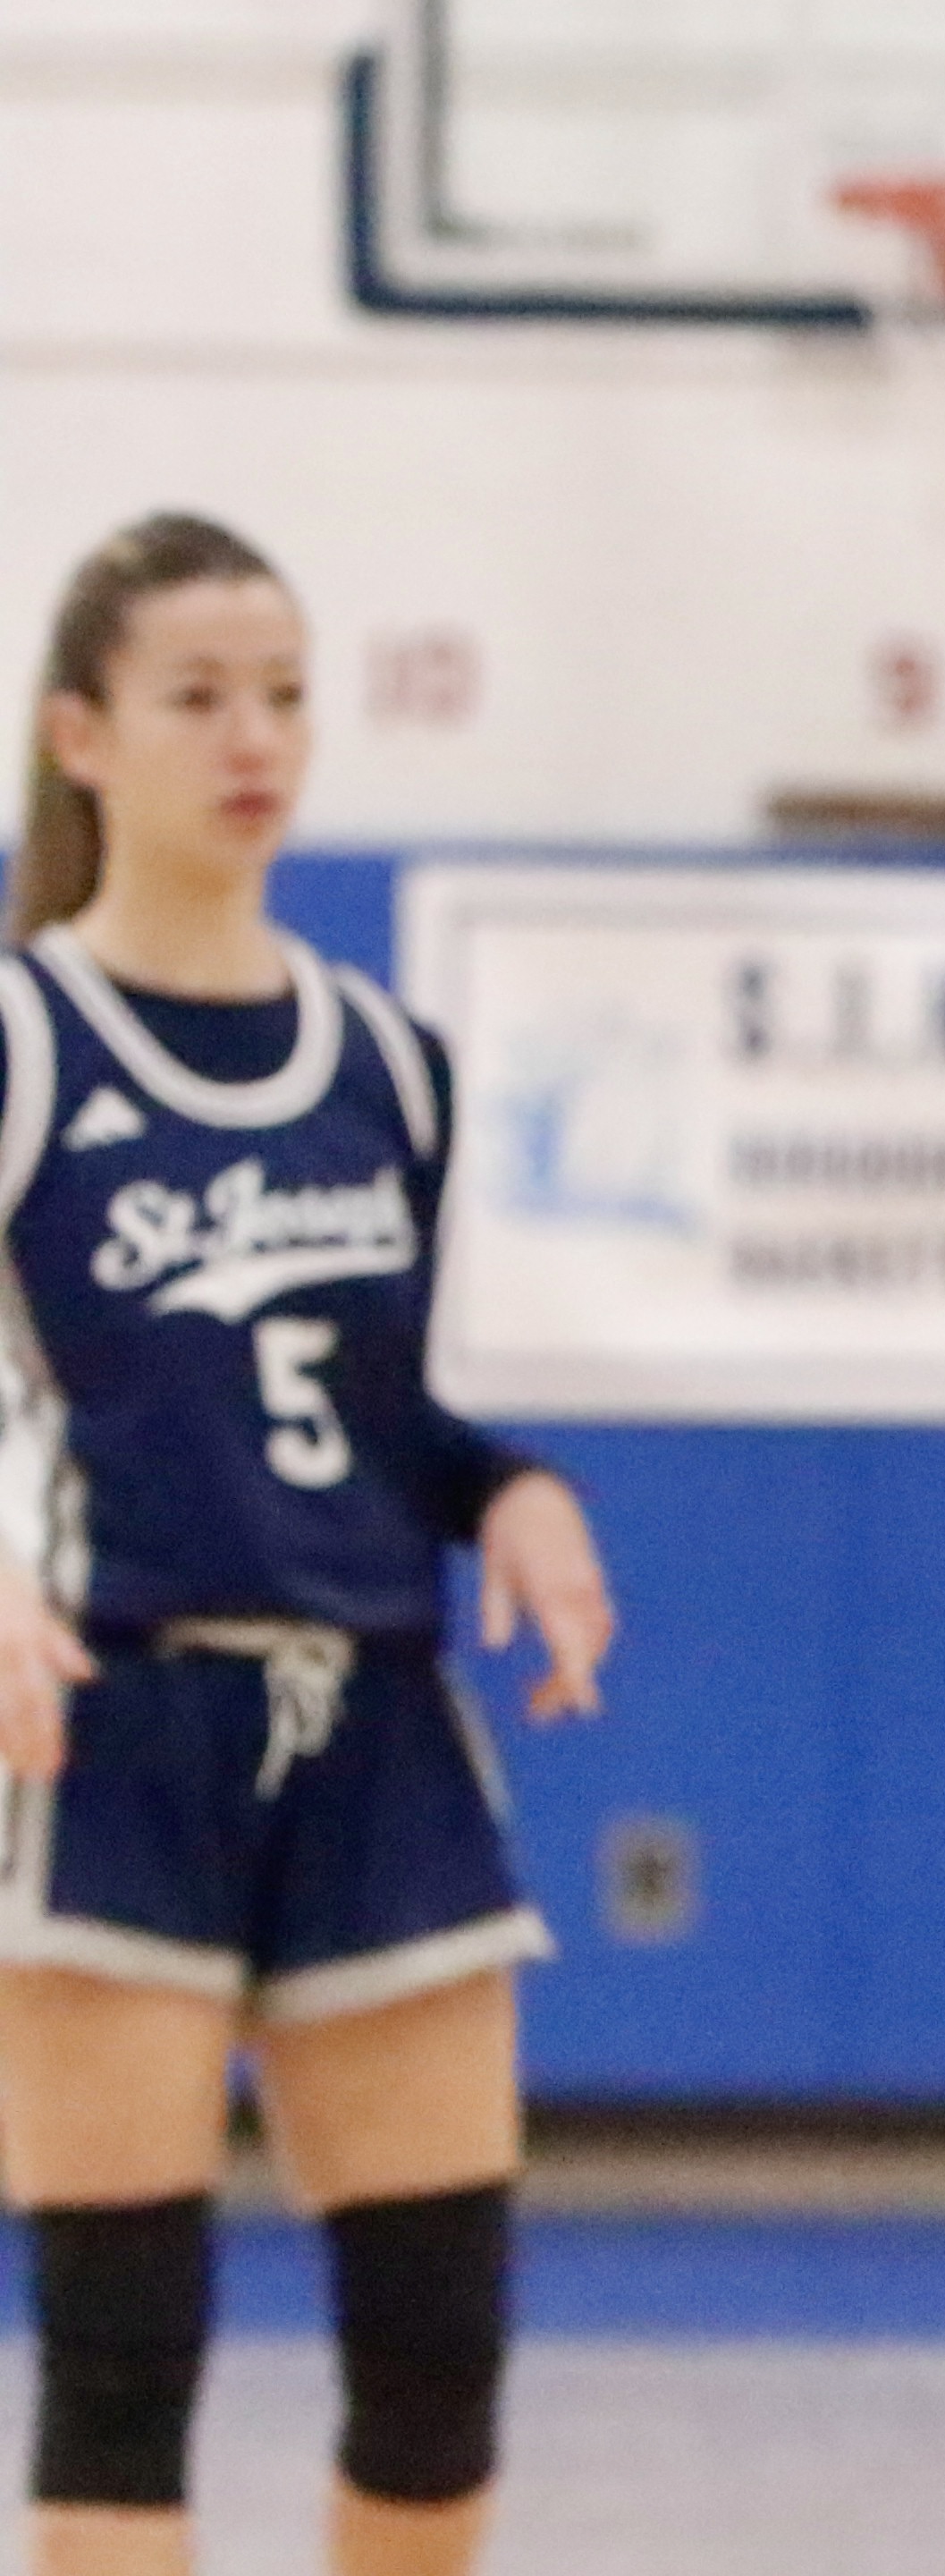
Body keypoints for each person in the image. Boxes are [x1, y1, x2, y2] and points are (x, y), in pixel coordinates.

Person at [0, 513, 619, 2576]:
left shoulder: (387, 1063)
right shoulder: (27, 1041)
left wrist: (505, 1485)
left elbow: (376, 1413)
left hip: (376, 1727)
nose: (253, 736)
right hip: (117, 1733)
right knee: (119, 2378)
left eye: (283, 693)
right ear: (83, 735)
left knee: (439, 2365)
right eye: (198, 696)